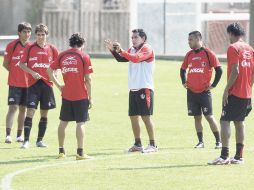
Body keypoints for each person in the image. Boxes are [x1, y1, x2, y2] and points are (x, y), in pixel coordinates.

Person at [104, 29, 157, 153]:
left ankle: (153, 145)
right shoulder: (132, 49)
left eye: (135, 37)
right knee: (133, 117)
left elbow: (136, 59)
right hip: (133, 88)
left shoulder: (147, 48)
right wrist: (113, 50)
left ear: (143, 39)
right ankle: (138, 144)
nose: (133, 40)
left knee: (146, 117)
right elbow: (122, 59)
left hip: (145, 87)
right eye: (132, 37)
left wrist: (121, 50)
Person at [208, 23, 254, 165]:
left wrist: (226, 90)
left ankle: (224, 156)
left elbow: (236, 71)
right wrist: (249, 88)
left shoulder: (233, 48)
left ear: (230, 34)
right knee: (240, 123)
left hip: (235, 92)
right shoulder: (250, 49)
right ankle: (239, 157)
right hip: (246, 93)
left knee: (224, 121)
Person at [47, 33, 93, 160]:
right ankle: (80, 152)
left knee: (63, 122)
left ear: (70, 43)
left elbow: (49, 70)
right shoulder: (84, 56)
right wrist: (90, 97)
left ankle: (61, 151)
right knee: (80, 123)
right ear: (82, 44)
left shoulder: (62, 55)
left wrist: (58, 86)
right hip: (81, 95)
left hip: (66, 95)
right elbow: (88, 79)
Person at [18, 23, 58, 149]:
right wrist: (33, 73)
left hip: (47, 85)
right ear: (36, 35)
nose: (40, 37)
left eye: (43, 34)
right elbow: (21, 64)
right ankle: (26, 141)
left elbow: (57, 66)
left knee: (44, 113)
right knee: (30, 111)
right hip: (33, 85)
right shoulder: (30, 47)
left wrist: (54, 77)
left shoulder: (52, 49)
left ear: (47, 35)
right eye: (38, 34)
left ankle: (39, 141)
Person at [180, 31, 222, 149]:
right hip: (191, 92)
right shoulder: (189, 55)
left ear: (198, 39)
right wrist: (184, 82)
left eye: (191, 40)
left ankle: (219, 141)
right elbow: (183, 69)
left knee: (209, 116)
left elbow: (219, 70)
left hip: (204, 92)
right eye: (188, 40)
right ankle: (200, 142)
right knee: (197, 117)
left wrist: (213, 85)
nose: (189, 42)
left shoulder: (208, 53)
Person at [3, 22, 32, 144]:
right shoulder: (11, 45)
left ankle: (19, 135)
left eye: (29, 32)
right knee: (13, 107)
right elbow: (5, 64)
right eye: (25, 31)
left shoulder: (32, 47)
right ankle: (8, 135)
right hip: (14, 83)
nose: (27, 34)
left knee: (23, 109)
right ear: (19, 33)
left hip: (28, 84)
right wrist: (15, 72)